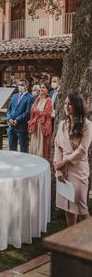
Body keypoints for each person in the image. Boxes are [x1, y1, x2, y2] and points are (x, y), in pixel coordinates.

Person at [54, 92, 92, 227]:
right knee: (67, 204)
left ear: (77, 105)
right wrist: (58, 169)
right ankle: (72, 236)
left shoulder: (87, 125)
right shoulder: (62, 124)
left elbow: (82, 150)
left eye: (70, 104)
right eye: (65, 103)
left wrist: (64, 162)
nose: (67, 106)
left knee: (81, 207)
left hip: (78, 168)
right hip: (63, 168)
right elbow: (57, 146)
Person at [6, 79, 34, 153]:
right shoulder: (14, 96)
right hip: (11, 126)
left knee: (23, 148)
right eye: (19, 85)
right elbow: (9, 109)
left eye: (22, 85)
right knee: (12, 149)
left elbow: (28, 112)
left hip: (21, 126)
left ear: (26, 86)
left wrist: (17, 120)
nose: (20, 86)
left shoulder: (30, 97)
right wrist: (9, 118)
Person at [28, 83, 53, 160]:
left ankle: (41, 160)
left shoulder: (49, 100)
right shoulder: (38, 99)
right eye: (41, 88)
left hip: (43, 125)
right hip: (36, 125)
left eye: (43, 88)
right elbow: (32, 110)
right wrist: (39, 111)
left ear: (47, 90)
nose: (41, 89)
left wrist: (38, 111)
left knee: (42, 145)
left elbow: (47, 112)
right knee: (35, 143)